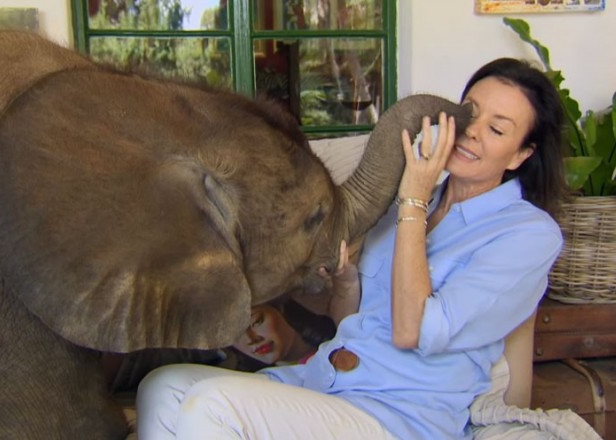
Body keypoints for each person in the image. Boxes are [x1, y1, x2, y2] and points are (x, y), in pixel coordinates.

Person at [135, 57, 567, 439]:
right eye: (468, 114)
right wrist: (345, 286)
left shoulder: (527, 235)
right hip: (326, 381)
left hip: (398, 416)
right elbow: (351, 324)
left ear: (519, 155)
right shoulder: (410, 204)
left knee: (213, 404)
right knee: (163, 386)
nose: (471, 133)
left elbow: (411, 331)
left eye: (496, 129)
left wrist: (412, 199)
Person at [230, 298, 337, 369]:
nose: (250, 339)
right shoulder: (257, 388)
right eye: (235, 336)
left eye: (257, 321)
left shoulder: (341, 337)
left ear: (279, 307)